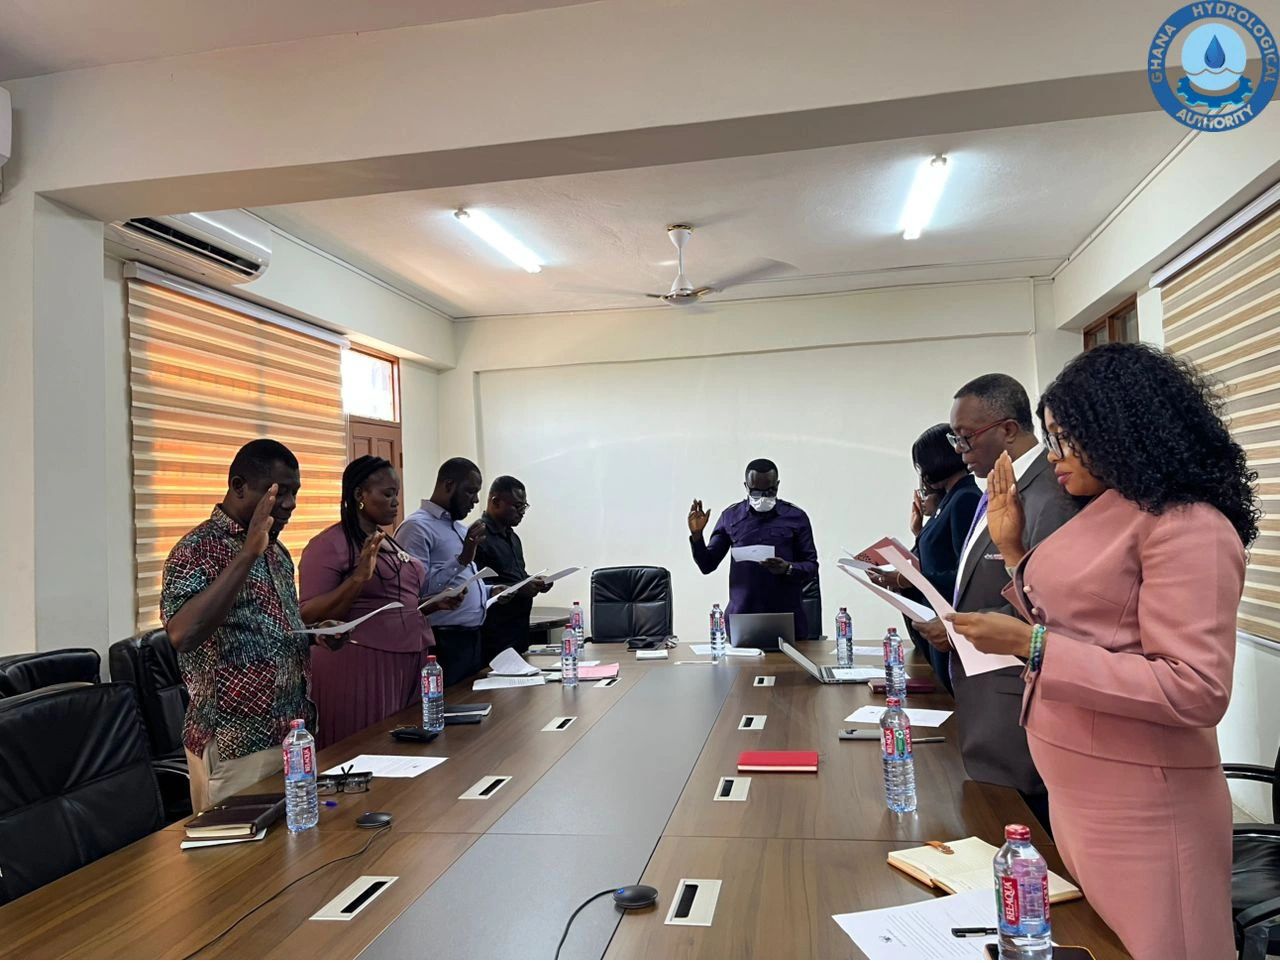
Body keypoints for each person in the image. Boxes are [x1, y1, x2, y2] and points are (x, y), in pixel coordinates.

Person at [949, 343, 1257, 959]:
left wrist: (1031, 646)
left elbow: (1195, 688)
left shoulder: (1189, 525)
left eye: (1067, 439)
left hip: (1144, 806)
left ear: (1121, 430)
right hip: (1078, 795)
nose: (1053, 456)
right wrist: (1012, 552)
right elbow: (1082, 621)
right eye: (1052, 439)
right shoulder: (1109, 507)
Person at [911, 374, 1078, 828]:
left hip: (1020, 693)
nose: (959, 450)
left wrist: (963, 628)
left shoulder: (1051, 492)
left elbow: (1052, 600)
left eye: (965, 437)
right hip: (987, 692)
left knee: (1036, 837)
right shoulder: (998, 487)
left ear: (1007, 429)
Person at [161, 439, 342, 812]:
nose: (290, 504)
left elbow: (271, 629)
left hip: (293, 733)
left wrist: (318, 635)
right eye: (278, 492)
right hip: (236, 745)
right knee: (238, 850)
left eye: (295, 493)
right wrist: (247, 554)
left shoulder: (277, 551)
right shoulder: (197, 550)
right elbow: (182, 634)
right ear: (239, 486)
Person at [298, 456, 463, 748]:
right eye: (387, 494)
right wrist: (358, 578)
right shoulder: (329, 545)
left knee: (409, 752)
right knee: (366, 750)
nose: (396, 502)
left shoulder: (385, 539)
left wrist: (435, 604)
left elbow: (394, 602)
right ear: (359, 495)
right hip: (361, 666)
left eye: (396, 494)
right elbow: (308, 615)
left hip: (409, 659)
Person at [869, 423, 981, 691]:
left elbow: (965, 575)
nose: (921, 474)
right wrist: (919, 532)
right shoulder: (949, 500)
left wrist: (907, 579)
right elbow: (935, 556)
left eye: (921, 465)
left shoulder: (965, 498)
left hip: (949, 622)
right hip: (933, 619)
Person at [396, 457, 503, 686]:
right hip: (442, 642)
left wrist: (489, 591)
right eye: (470, 491)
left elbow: (460, 582)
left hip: (473, 639)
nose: (476, 500)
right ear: (448, 485)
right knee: (448, 706)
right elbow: (416, 591)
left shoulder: (459, 528)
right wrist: (463, 558)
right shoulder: (416, 528)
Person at [688, 458, 819, 639]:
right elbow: (707, 565)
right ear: (746, 486)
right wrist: (697, 536)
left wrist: (788, 568)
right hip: (742, 617)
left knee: (791, 659)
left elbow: (811, 566)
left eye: (770, 490)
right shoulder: (731, 517)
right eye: (756, 491)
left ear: (777, 485)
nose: (763, 497)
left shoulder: (796, 517)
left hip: (786, 617)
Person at [476, 475, 551, 661]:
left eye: (524, 506)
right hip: (493, 637)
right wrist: (520, 588)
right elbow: (477, 588)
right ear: (496, 502)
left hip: (519, 632)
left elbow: (515, 576)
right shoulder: (478, 537)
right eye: (517, 506)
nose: (522, 512)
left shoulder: (513, 537)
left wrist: (534, 582)